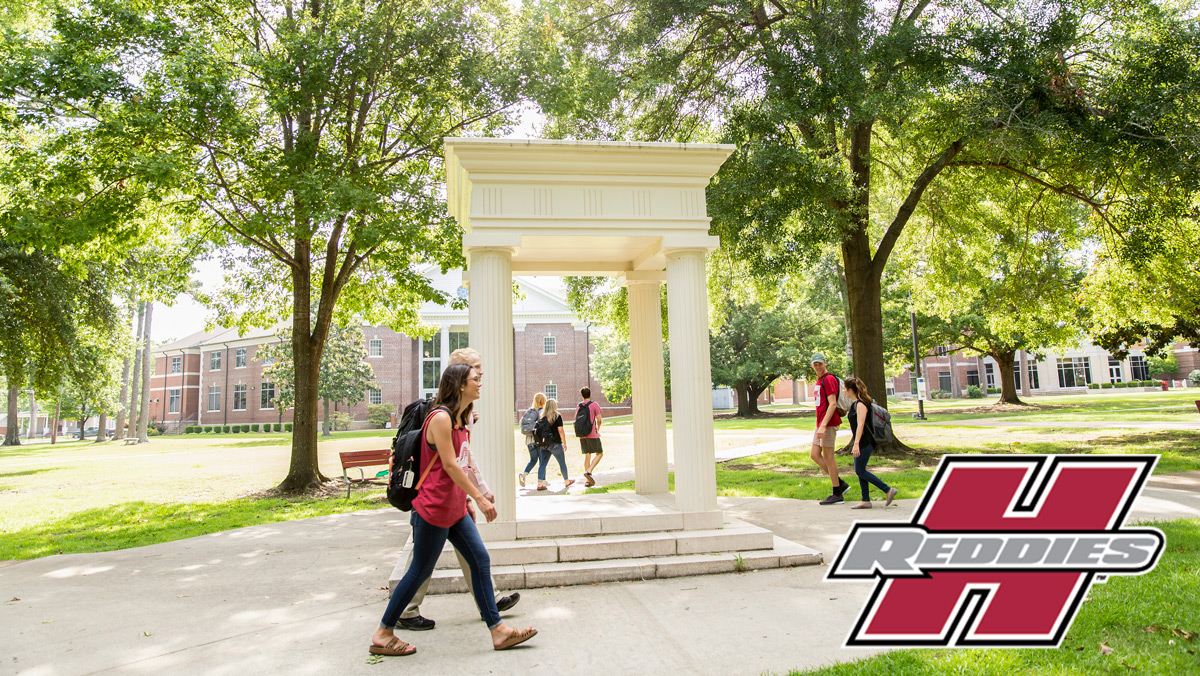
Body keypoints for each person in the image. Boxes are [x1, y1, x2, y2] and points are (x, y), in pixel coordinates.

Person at [371, 363, 537, 656]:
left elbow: (462, 463)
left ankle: (498, 632)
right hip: (433, 509)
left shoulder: (460, 420)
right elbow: (448, 465)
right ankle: (383, 633)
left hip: (454, 509)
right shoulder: (441, 419)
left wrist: (472, 497)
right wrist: (481, 498)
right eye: (475, 379)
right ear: (460, 385)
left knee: (479, 560)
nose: (479, 383)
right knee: (419, 571)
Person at [396, 347, 519, 631]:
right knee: (422, 561)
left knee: (473, 554)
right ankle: (400, 614)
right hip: (432, 498)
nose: (481, 373)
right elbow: (450, 464)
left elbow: (464, 455)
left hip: (452, 496)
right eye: (476, 369)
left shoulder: (463, 410)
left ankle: (490, 605)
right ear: (461, 375)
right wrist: (475, 494)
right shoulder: (443, 413)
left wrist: (477, 491)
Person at [843, 377, 899, 510]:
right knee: (861, 470)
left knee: (860, 470)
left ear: (850, 390)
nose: (844, 391)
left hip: (865, 441)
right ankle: (865, 500)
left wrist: (856, 444)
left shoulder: (860, 404)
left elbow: (861, 425)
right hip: (862, 441)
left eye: (845, 389)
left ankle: (888, 490)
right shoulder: (856, 403)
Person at [810, 353, 850, 505]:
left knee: (828, 457)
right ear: (812, 365)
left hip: (828, 423)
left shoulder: (829, 379)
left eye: (820, 363)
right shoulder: (820, 380)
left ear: (825, 363)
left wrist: (824, 425)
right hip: (820, 422)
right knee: (814, 454)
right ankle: (840, 484)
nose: (818, 366)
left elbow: (832, 404)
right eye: (815, 364)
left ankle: (837, 493)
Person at [533, 398, 574, 491]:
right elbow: (560, 430)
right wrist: (564, 442)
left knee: (543, 464)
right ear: (554, 406)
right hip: (555, 444)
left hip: (544, 444)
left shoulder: (542, 417)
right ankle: (566, 481)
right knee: (562, 463)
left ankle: (539, 484)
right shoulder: (557, 416)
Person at [576, 387, 603, 487]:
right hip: (592, 433)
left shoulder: (579, 406)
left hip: (582, 434)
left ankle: (587, 481)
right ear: (590, 394)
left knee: (587, 455)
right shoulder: (594, 405)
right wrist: (597, 429)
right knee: (599, 453)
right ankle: (589, 471)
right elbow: (599, 420)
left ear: (582, 395)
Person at [518, 393, 547, 487]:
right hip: (538, 440)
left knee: (533, 460)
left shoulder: (530, 411)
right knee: (542, 461)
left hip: (529, 441)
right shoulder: (542, 411)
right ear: (543, 401)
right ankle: (542, 481)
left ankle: (524, 474)